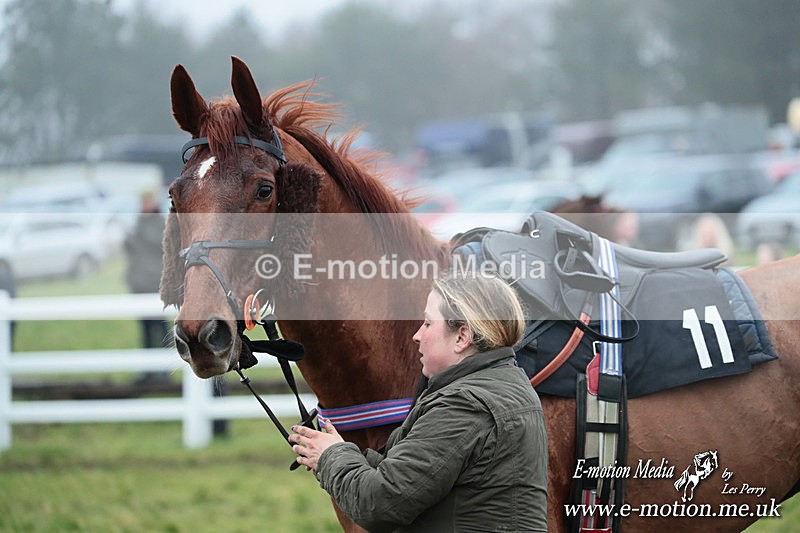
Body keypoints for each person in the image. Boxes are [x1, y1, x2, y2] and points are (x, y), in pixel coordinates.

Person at [289, 273, 548, 532]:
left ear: (462, 337)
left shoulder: (465, 405)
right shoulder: (507, 385)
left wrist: (332, 456)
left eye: (427, 323)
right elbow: (418, 479)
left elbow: (380, 504)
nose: (416, 335)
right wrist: (343, 454)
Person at [124, 191, 168, 352]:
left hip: (155, 282)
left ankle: (164, 368)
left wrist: (137, 234)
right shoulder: (138, 222)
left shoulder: (160, 223)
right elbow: (130, 247)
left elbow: (157, 242)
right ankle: (148, 367)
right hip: (139, 281)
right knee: (145, 327)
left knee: (160, 325)